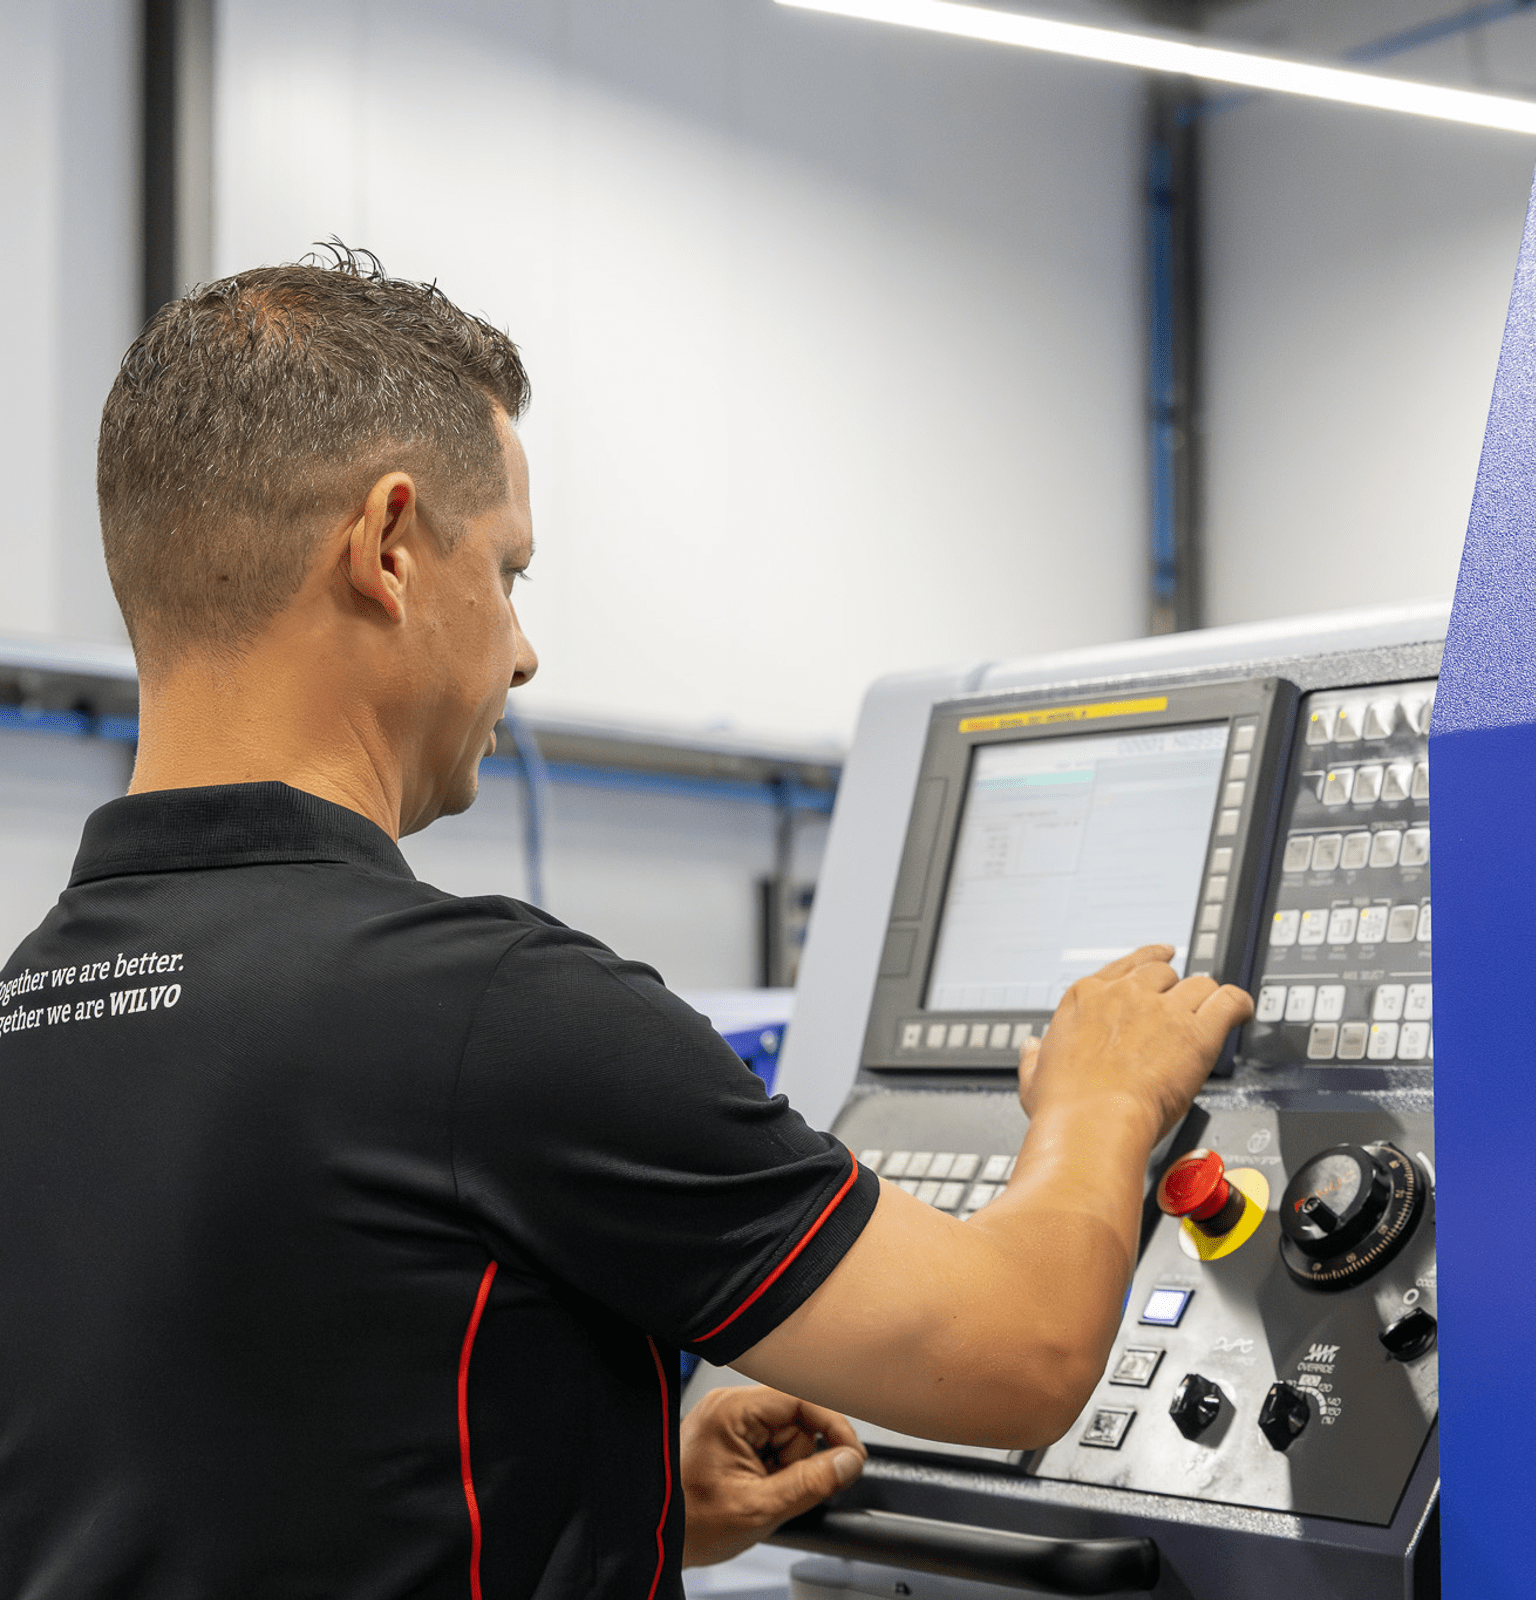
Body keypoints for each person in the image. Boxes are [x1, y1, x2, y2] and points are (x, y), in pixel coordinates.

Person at [0, 250, 1253, 1599]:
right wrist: (1101, 1102)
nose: (522, 652)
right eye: (510, 571)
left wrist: (617, 1486)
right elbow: (1020, 1356)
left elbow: (229, 1465)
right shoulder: (491, 1013)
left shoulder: (30, 1008)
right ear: (389, 547)